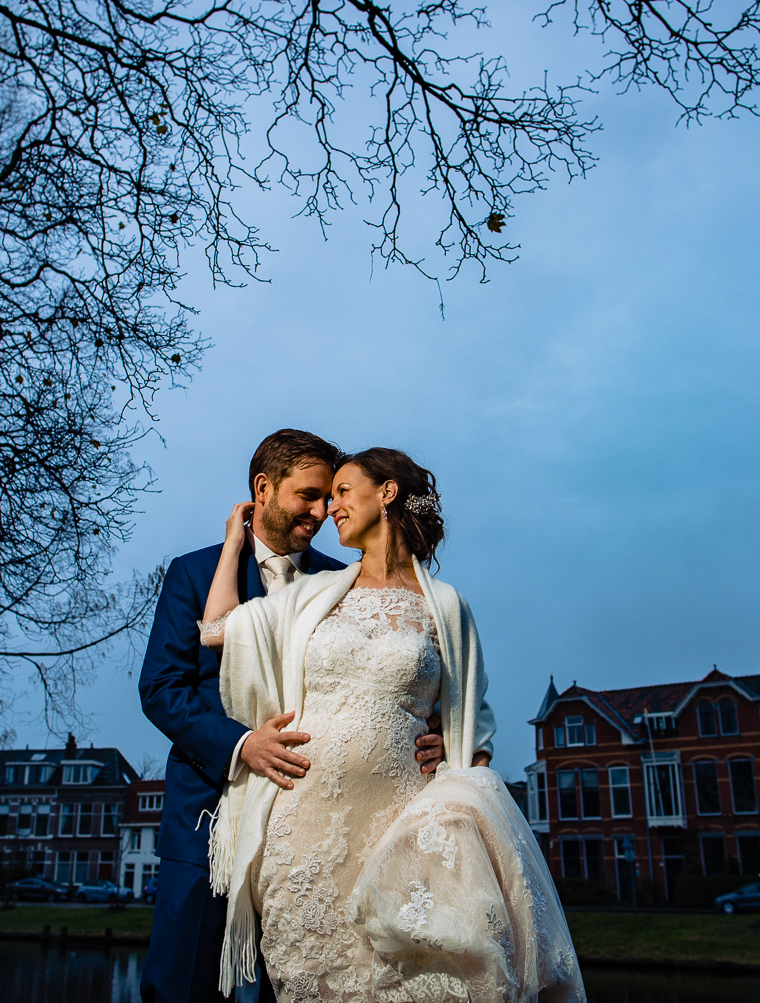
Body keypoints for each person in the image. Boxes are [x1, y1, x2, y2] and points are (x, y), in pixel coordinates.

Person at [199, 448, 583, 1003]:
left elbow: (472, 728)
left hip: (403, 829)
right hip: (304, 831)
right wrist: (237, 539)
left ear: (386, 493)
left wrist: (453, 751)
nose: (331, 507)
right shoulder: (309, 594)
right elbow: (218, 630)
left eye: (344, 491)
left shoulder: (447, 607)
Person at [138, 430, 447, 1003]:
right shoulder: (192, 572)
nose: (322, 510)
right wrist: (241, 745)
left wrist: (436, 737)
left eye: (329, 496)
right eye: (308, 495)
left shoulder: (344, 579)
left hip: (316, 827)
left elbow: (394, 674)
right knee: (184, 981)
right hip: (209, 815)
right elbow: (160, 687)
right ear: (263, 489)